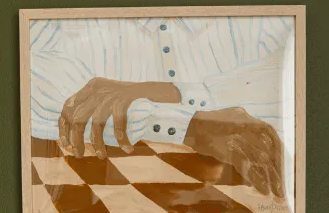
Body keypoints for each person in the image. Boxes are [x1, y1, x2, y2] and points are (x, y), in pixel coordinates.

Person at [30, 16, 295, 199]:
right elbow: (34, 82)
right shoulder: (66, 19)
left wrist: (164, 93)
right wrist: (189, 124)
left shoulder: (266, 16)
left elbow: (286, 81)